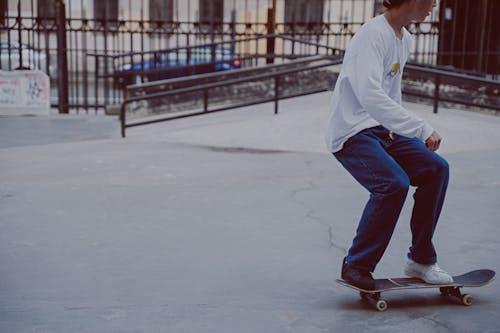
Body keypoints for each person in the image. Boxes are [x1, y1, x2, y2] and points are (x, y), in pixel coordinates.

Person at [325, 0, 453, 290]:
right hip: (352, 131)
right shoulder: (372, 35)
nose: (434, 4)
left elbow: (391, 92)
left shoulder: (404, 38)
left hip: (383, 130)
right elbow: (369, 93)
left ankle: (421, 261)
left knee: (436, 169)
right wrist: (420, 128)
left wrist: (398, 127)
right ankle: (357, 266)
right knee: (393, 184)